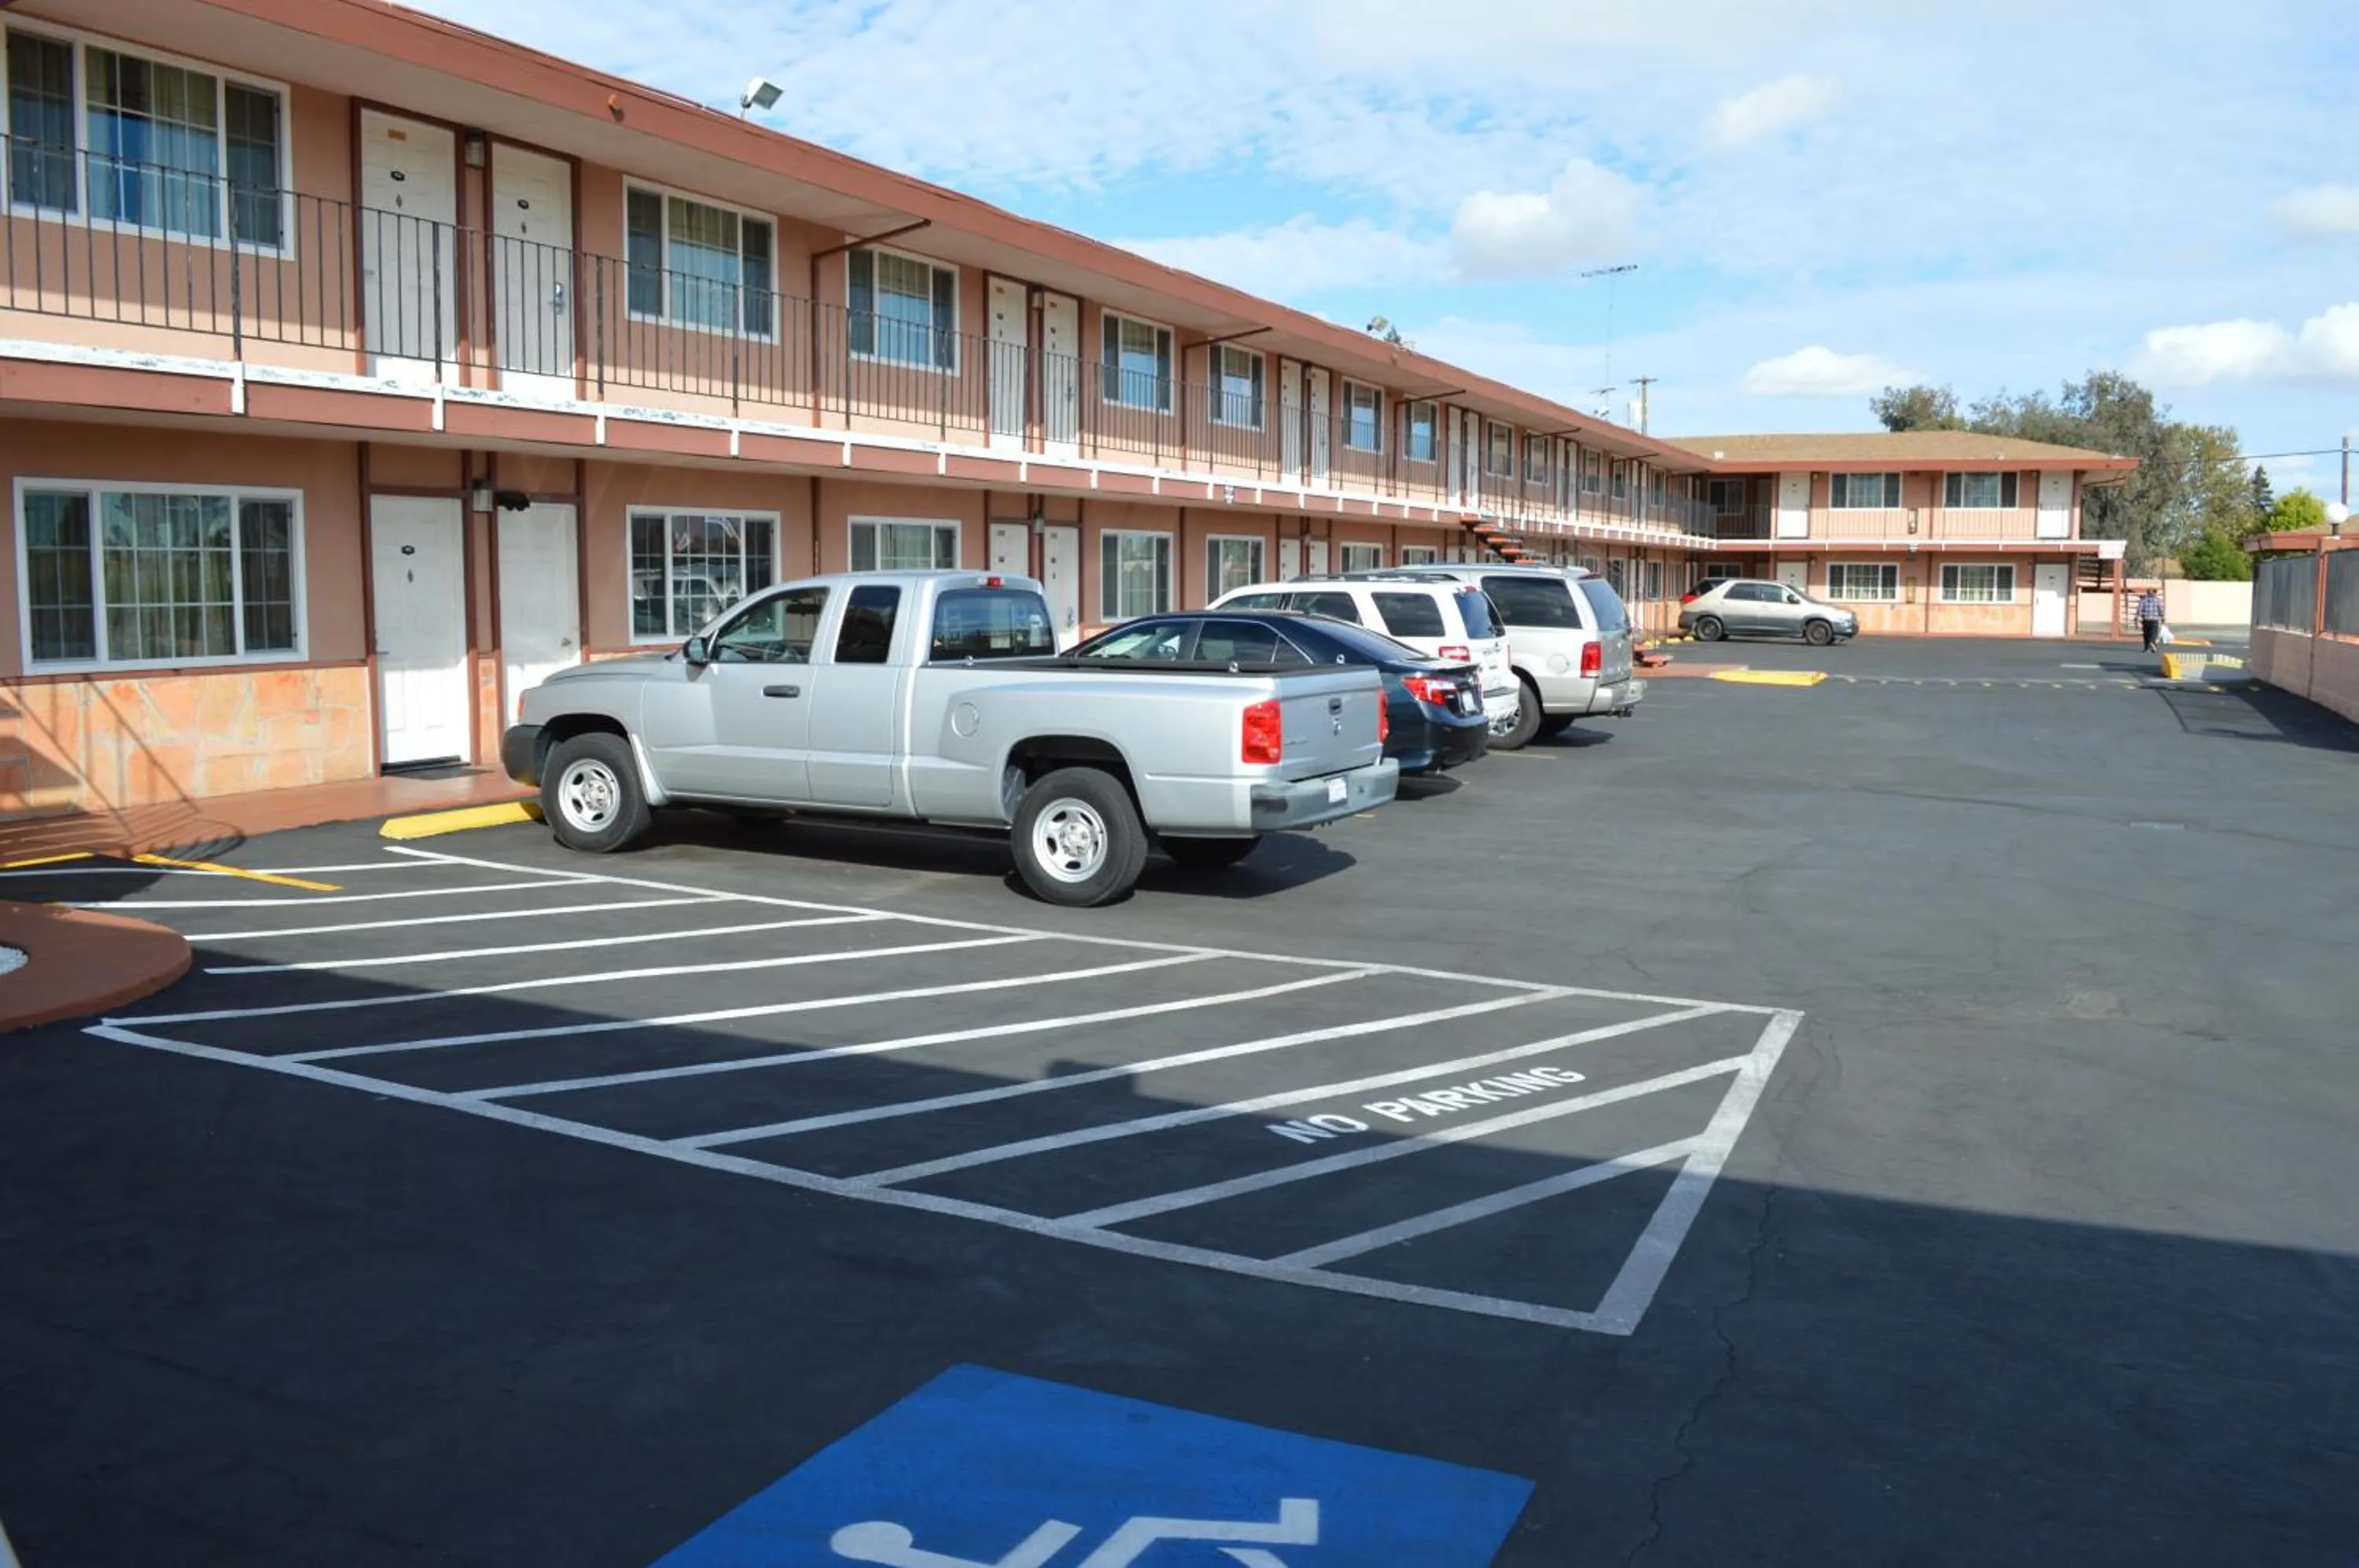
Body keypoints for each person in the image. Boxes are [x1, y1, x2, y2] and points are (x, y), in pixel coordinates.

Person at [2137, 587, 2165, 652]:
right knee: (2154, 633)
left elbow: (2140, 609)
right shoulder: (2157, 600)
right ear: (2154, 593)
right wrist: (2162, 617)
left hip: (2146, 619)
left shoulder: (2143, 600)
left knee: (2146, 634)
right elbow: (2160, 609)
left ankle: (2147, 647)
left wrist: (2137, 617)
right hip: (2154, 619)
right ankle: (2152, 643)